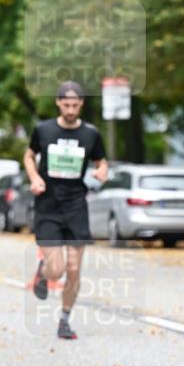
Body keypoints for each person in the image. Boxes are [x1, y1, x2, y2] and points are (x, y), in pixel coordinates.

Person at [24, 81, 108, 340]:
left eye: (75, 104)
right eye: (66, 104)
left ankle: (64, 319)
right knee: (57, 269)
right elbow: (29, 155)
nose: (71, 109)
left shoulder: (91, 134)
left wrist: (103, 170)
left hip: (75, 205)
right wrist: (35, 178)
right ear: (58, 103)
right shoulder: (43, 130)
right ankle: (43, 271)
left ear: (81, 103)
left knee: (73, 269)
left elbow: (101, 161)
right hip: (48, 205)